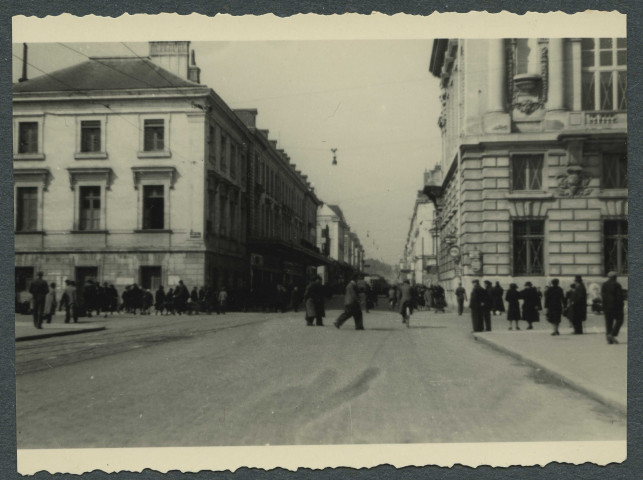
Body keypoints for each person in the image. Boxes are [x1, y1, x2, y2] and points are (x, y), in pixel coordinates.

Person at [601, 272, 625, 344]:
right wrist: (621, 305)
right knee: (620, 320)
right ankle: (612, 334)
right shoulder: (617, 285)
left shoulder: (604, 284)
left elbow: (603, 295)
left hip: (606, 307)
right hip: (616, 306)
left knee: (608, 322)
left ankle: (609, 338)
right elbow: (619, 297)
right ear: (615, 277)